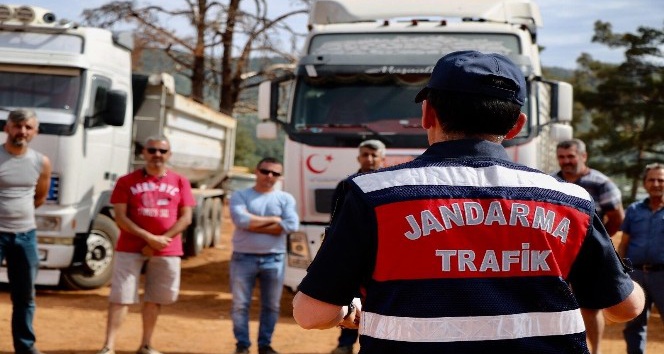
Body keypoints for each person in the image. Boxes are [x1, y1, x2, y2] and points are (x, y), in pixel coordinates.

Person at [292, 50, 645, 353]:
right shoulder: (570, 199)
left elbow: (312, 314)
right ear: (517, 125)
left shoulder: (372, 195)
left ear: (427, 114)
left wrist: (348, 311)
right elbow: (624, 308)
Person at [97, 136, 195, 354]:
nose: (157, 155)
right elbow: (120, 217)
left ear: (169, 155)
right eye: (152, 150)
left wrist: (160, 241)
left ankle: (146, 344)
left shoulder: (180, 181)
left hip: (167, 249)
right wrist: (148, 238)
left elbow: (186, 217)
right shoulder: (126, 181)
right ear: (144, 153)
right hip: (130, 246)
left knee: (155, 298)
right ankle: (108, 346)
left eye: (162, 151)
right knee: (120, 297)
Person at [555, 138, 625, 354]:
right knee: (559, 305)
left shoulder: (601, 183)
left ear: (583, 156)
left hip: (589, 256)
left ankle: (595, 351)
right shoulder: (550, 181)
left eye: (571, 156)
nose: (566, 161)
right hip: (558, 256)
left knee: (590, 307)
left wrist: (597, 242)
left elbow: (616, 217)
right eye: (562, 157)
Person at [229, 157, 299, 354]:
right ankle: (242, 345)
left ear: (279, 177)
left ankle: (264, 345)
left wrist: (254, 224)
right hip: (243, 258)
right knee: (240, 305)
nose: (269, 176)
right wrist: (275, 221)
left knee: (271, 306)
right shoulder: (240, 195)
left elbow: (291, 225)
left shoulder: (285, 198)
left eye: (275, 173)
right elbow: (241, 221)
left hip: (274, 259)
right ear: (256, 171)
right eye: (265, 171)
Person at [0, 109, 52, 354]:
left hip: (25, 236)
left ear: (35, 132)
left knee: (25, 296)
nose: (22, 131)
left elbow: (39, 197)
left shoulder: (40, 162)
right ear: (6, 128)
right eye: (17, 126)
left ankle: (25, 346)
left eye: (28, 127)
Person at [329, 140, 385, 354]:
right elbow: (335, 222)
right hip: (352, 256)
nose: (369, 159)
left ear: (382, 158)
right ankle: (345, 344)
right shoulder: (347, 186)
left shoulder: (391, 184)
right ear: (358, 158)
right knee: (351, 300)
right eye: (365, 154)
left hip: (382, 256)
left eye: (373, 155)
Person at [618, 162, 664, 354]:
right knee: (634, 325)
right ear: (644, 183)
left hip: (662, 276)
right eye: (651, 180)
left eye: (660, 180)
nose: (656, 184)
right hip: (635, 275)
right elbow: (624, 243)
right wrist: (620, 271)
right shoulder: (634, 210)